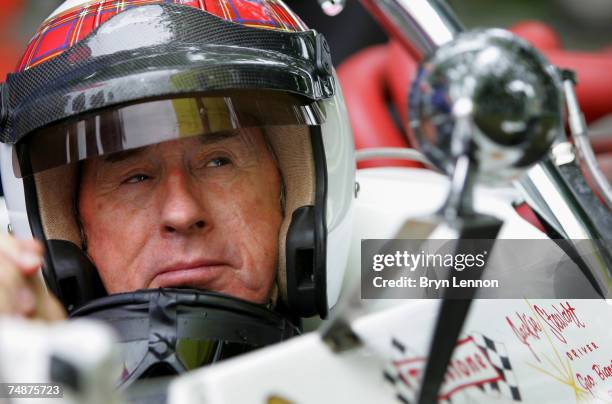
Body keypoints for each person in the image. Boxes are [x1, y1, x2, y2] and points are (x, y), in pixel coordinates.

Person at [0, 0, 355, 383]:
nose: (182, 213)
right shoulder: (22, 368)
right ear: (71, 235)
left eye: (218, 162)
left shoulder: (402, 268)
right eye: (135, 177)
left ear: (295, 194)